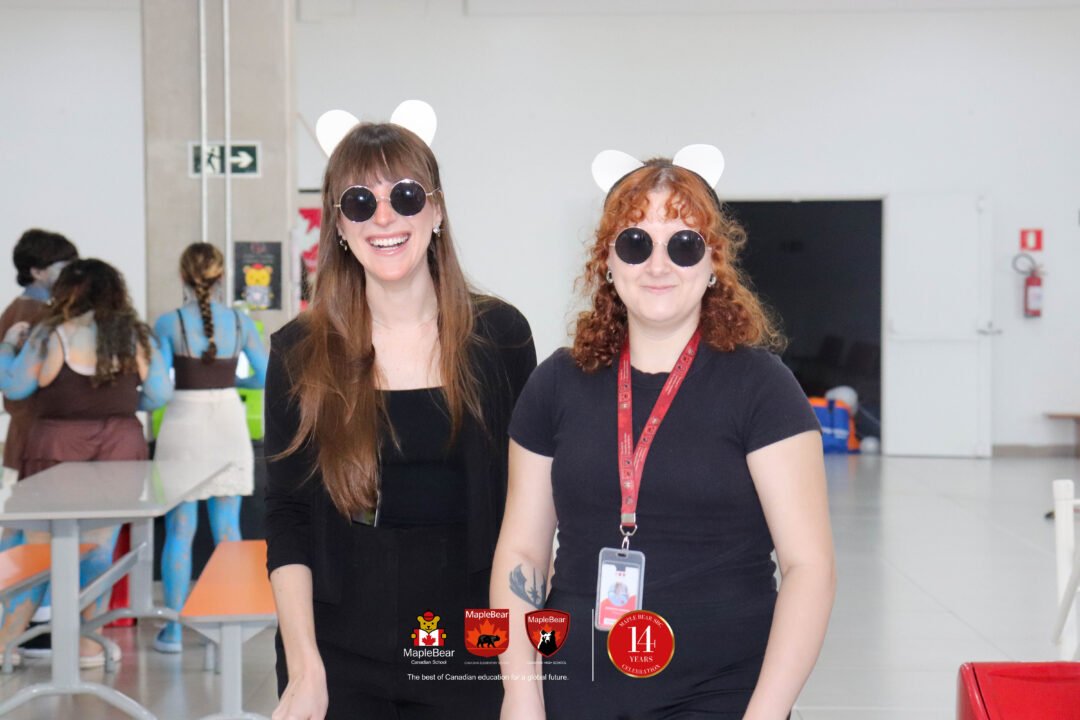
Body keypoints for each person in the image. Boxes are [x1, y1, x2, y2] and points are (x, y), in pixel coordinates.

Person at [492, 157, 836, 719]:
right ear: (607, 261)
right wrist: (522, 694)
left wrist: (766, 713)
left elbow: (809, 567)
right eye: (635, 244)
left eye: (683, 245)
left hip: (721, 694)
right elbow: (523, 553)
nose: (658, 264)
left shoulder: (762, 388)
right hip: (575, 687)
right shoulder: (556, 383)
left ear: (713, 262)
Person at [265, 119, 535, 720]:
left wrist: (522, 675)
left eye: (406, 196)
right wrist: (306, 667)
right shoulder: (298, 351)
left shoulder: (501, 337)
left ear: (436, 211)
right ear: (339, 226)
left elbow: (529, 511)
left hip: (476, 642)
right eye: (360, 203)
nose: (384, 218)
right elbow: (287, 517)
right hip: (338, 648)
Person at [0, 258, 171, 666]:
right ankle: (89, 645)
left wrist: (7, 345)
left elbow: (14, 386)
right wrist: (118, 407)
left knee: (39, 548)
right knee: (98, 548)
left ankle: (6, 643)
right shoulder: (135, 336)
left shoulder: (50, 334)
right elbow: (159, 394)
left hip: (57, 448)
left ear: (66, 293)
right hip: (119, 449)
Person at [151, 242, 268, 653]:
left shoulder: (168, 323)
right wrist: (232, 381)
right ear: (222, 278)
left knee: (180, 530)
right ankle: (226, 626)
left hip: (183, 422)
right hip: (227, 421)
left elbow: (159, 385)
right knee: (229, 530)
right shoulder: (241, 322)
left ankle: (174, 631)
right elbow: (264, 375)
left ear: (183, 276)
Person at [0, 229, 78, 487]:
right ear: (37, 272)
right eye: (65, 267)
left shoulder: (16, 309)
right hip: (37, 434)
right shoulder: (39, 315)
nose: (73, 274)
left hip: (27, 433)